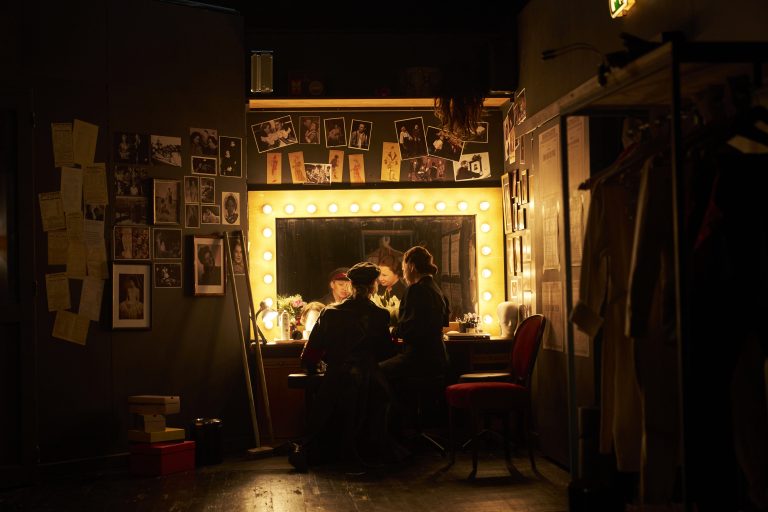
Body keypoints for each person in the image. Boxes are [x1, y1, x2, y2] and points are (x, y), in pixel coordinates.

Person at [288, 262, 397, 471]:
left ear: (351, 285)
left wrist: (314, 367)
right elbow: (386, 353)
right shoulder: (380, 315)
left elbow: (311, 354)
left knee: (324, 408)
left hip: (337, 379)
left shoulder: (330, 313)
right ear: (374, 286)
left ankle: (317, 449)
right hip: (370, 383)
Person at [380, 246, 450, 387]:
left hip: (418, 359)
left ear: (411, 266)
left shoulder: (415, 289)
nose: (404, 274)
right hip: (439, 358)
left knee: (377, 372)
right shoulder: (438, 290)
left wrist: (393, 330)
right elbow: (443, 322)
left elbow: (408, 330)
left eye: (404, 269)